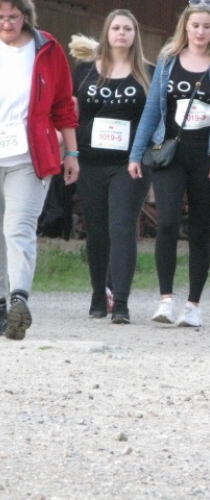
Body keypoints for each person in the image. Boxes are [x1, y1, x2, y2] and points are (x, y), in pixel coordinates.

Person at [128, 0, 210, 327]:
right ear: (185, 27)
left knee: (200, 228)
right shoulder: (167, 61)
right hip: (170, 153)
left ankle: (193, 305)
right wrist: (136, 153)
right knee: (166, 222)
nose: (201, 31)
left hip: (207, 155)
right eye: (195, 25)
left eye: (207, 26)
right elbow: (152, 110)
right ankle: (165, 300)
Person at [0, 0, 79, 340]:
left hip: (28, 156)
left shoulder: (46, 48)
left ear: (25, 16)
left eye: (13, 17)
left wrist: (72, 152)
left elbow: (63, 105)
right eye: (0, 18)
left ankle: (19, 299)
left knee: (18, 227)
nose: (6, 23)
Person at [70, 9, 154, 324]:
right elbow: (69, 111)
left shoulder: (148, 72)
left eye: (127, 29)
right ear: (107, 32)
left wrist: (144, 154)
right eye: (116, 28)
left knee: (121, 228)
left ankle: (120, 302)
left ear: (135, 35)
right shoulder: (84, 71)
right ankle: (97, 295)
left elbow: (157, 118)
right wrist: (69, 152)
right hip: (90, 162)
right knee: (97, 231)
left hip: (129, 164)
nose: (121, 33)